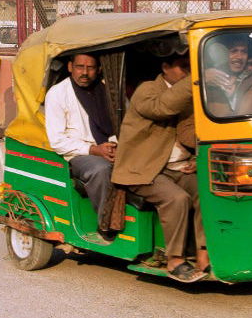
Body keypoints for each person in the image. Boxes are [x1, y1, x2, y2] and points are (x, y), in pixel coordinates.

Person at [113, 51, 207, 283]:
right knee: (177, 199)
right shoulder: (148, 90)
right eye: (184, 67)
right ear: (165, 67)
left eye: (192, 67)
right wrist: (193, 81)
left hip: (177, 167)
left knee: (207, 192)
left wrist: (198, 157)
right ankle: (174, 259)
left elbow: (188, 133)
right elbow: (162, 108)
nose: (188, 73)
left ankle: (203, 252)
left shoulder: (187, 94)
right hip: (143, 170)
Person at [44, 53, 117, 228]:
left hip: (111, 147)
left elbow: (124, 122)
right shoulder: (58, 93)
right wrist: (94, 150)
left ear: (98, 69)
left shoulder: (109, 90)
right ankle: (106, 224)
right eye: (79, 67)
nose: (84, 72)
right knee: (101, 169)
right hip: (78, 154)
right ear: (70, 67)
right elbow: (57, 141)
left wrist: (115, 145)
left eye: (90, 68)